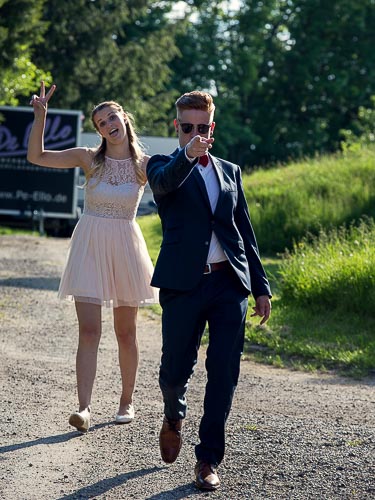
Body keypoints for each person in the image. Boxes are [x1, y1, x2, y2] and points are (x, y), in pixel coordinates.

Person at [146, 91, 272, 490]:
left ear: (211, 127)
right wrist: (186, 155)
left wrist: (260, 286)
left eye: (203, 128)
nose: (195, 133)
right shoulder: (162, 165)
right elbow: (164, 186)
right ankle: (173, 413)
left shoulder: (230, 170)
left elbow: (243, 232)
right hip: (183, 286)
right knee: (173, 371)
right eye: (188, 128)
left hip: (227, 283)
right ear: (177, 127)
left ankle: (207, 459)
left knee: (223, 372)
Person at [28, 82, 158, 433]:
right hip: (89, 244)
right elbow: (36, 156)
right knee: (88, 330)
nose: (107, 124)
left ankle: (126, 401)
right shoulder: (89, 158)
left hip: (125, 248)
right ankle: (83, 408)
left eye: (111, 117)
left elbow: (180, 183)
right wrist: (40, 116)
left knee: (126, 332)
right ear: (98, 130)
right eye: (100, 122)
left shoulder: (145, 165)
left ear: (124, 118)